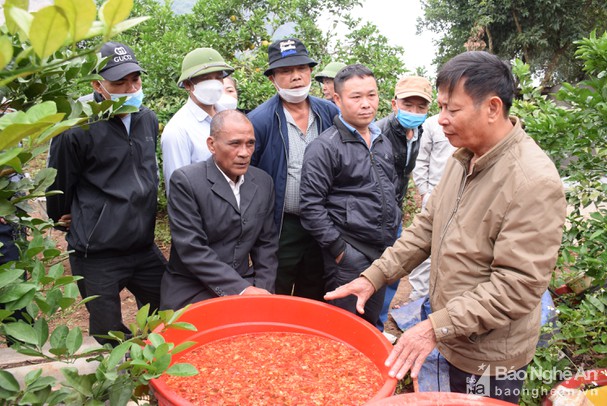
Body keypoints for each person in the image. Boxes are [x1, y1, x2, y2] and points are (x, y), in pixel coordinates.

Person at [324, 51, 566, 403]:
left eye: (452, 109)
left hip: (490, 357)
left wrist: (434, 328)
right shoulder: (463, 157)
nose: (442, 120)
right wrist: (373, 277)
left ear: (493, 108)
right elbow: (425, 230)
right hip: (453, 333)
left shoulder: (532, 181)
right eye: (441, 108)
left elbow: (517, 286)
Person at [47, 42, 167, 346]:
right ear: (97, 85)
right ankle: (123, 376)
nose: (130, 88)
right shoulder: (76, 129)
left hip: (142, 245)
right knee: (108, 329)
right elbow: (58, 183)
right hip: (98, 250)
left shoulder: (146, 119)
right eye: (119, 82)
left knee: (166, 309)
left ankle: (154, 369)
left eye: (135, 79)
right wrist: (62, 217)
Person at [300, 64, 401, 325]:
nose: (366, 104)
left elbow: (390, 188)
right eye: (356, 97)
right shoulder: (325, 147)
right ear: (337, 99)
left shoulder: (382, 141)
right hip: (349, 254)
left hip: (380, 253)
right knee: (344, 326)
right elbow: (311, 206)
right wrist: (340, 250)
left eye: (372, 95)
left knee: (371, 321)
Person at [248, 38, 339, 301]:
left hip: (323, 223)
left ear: (311, 71)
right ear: (272, 78)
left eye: (301, 68)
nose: (296, 77)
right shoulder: (260, 120)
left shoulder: (329, 113)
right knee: (276, 290)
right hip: (281, 226)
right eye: (286, 71)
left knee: (315, 291)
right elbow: (249, 176)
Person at [160, 110, 278, 310]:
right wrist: (241, 290)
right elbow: (192, 249)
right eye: (234, 144)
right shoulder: (187, 181)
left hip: (244, 279)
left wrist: (263, 290)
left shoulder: (262, 181)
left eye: (250, 143)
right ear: (211, 145)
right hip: (192, 286)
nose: (244, 152)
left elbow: (266, 245)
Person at [375, 75, 433, 333]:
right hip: (373, 216)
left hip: (395, 212)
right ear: (394, 104)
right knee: (375, 269)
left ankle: (378, 324)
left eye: (421, 107)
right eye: (408, 105)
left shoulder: (422, 133)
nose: (414, 112)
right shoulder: (378, 133)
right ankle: (367, 324)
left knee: (394, 271)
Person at [161, 47, 234, 195]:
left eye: (218, 77)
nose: (214, 84)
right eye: (205, 78)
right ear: (188, 85)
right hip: (202, 214)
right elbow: (178, 190)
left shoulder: (229, 116)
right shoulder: (178, 131)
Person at [407, 114, 457, 301]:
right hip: (435, 192)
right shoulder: (431, 124)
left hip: (462, 194)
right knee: (426, 246)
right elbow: (421, 159)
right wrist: (424, 192)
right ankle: (417, 297)